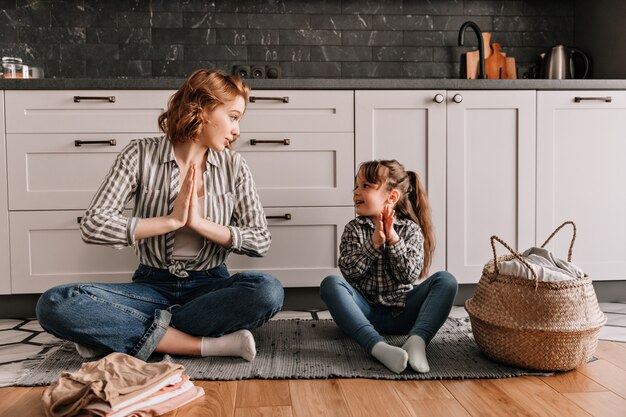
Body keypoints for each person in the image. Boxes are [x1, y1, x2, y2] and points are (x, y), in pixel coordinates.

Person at [36, 69, 284, 362]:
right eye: (233, 116)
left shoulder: (235, 166)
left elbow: (260, 240)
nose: (237, 130)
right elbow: (94, 224)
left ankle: (120, 333)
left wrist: (199, 224)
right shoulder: (139, 154)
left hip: (209, 290)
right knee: (55, 303)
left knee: (268, 291)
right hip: (150, 287)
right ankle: (202, 345)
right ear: (203, 109)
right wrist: (172, 221)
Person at [319, 160, 458, 373]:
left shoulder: (410, 230)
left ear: (392, 197)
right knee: (331, 283)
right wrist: (373, 243)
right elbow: (350, 274)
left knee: (446, 281)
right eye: (356, 185)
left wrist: (393, 239)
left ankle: (417, 342)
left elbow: (408, 276)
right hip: (364, 313)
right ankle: (377, 346)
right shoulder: (354, 229)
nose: (356, 191)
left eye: (366, 186)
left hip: (404, 314)